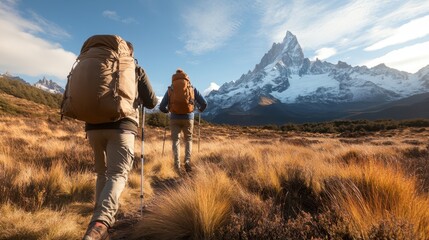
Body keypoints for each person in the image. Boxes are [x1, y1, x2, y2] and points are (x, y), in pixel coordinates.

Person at [82, 42, 158, 240]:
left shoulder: (95, 65)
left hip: (92, 127)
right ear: (128, 53)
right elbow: (151, 102)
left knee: (101, 174)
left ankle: (97, 219)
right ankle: (100, 224)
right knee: (117, 174)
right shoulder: (134, 68)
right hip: (122, 127)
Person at [159, 68, 207, 174]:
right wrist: (199, 110)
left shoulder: (171, 89)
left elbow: (162, 106)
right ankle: (187, 162)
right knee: (188, 140)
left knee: (176, 141)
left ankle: (177, 165)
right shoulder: (192, 88)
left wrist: (167, 111)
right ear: (186, 76)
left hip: (174, 118)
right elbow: (204, 103)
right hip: (188, 117)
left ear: (175, 77)